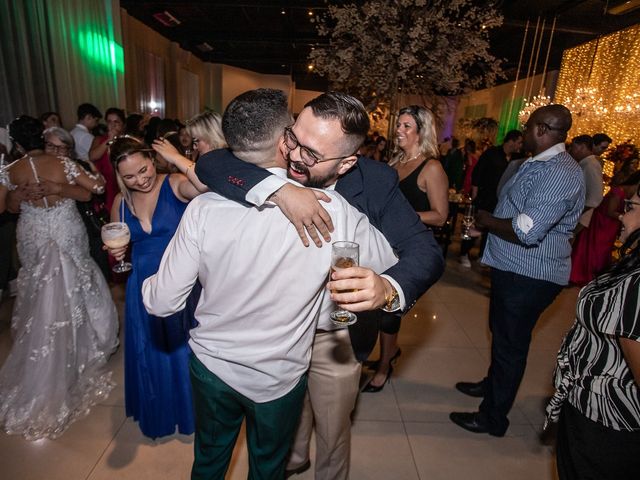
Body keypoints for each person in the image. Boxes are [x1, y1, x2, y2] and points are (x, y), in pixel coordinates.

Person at [142, 88, 401, 479]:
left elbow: (162, 303)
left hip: (212, 368)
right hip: (278, 377)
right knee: (268, 467)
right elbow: (387, 265)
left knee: (210, 461)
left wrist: (146, 282)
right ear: (287, 140)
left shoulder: (204, 209)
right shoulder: (337, 213)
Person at [195, 92, 443, 479]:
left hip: (333, 336)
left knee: (332, 427)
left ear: (346, 162)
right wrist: (278, 189)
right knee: (285, 421)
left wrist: (387, 288)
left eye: (311, 154)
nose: (292, 156)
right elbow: (211, 163)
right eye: (292, 138)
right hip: (274, 333)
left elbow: (425, 252)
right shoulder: (282, 154)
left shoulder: (376, 182)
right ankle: (293, 460)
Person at [450, 104, 585, 437]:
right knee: (502, 335)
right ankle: (493, 386)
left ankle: (493, 418)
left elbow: (527, 229)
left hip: (531, 274)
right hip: (513, 268)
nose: (522, 132)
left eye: (527, 127)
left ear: (541, 129)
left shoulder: (560, 172)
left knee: (511, 345)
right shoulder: (536, 163)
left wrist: (486, 221)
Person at [0, 116, 118, 440]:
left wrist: (20, 195)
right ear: (41, 136)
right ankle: (82, 349)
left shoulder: (11, 170)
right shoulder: (62, 163)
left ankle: (51, 356)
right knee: (76, 278)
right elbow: (95, 189)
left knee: (42, 285)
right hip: (64, 228)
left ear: (17, 142)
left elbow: (5, 207)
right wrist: (62, 186)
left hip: (34, 231)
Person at [105, 136, 203, 439]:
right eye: (130, 176)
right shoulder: (122, 202)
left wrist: (176, 157)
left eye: (144, 169)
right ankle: (158, 413)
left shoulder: (174, 183)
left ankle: (191, 414)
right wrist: (117, 253)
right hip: (142, 284)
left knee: (183, 348)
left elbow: (207, 186)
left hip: (181, 280)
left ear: (152, 159)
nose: (141, 180)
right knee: (149, 351)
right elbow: (115, 240)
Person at [546, 184, 640, 479]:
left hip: (606, 424)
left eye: (632, 207)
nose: (623, 216)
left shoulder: (636, 287)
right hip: (589, 411)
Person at [364, 105, 448, 393]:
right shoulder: (394, 163)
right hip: (382, 245)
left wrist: (402, 218)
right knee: (375, 306)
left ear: (421, 131)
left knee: (390, 311)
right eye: (398, 124)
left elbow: (440, 215)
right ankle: (387, 353)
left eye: (406, 126)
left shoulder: (432, 167)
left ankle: (385, 366)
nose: (398, 130)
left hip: (408, 249)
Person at [44, 127, 110, 277]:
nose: (55, 151)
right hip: (49, 229)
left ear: (69, 150)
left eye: (61, 148)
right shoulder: (37, 169)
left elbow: (93, 192)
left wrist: (57, 188)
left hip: (83, 221)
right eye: (50, 146)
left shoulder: (78, 166)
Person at [459, 129, 523, 267]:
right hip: (485, 197)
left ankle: (483, 255)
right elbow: (478, 172)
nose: (520, 146)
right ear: (511, 141)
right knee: (474, 225)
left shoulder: (516, 159)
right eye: (518, 142)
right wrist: (475, 193)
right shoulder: (492, 153)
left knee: (492, 228)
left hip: (501, 201)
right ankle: (464, 253)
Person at [570, 171, 640, 286]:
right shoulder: (619, 192)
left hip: (609, 226)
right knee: (595, 250)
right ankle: (583, 275)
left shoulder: (628, 194)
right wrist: (624, 217)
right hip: (603, 224)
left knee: (600, 251)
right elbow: (609, 211)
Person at [151, 111, 225, 191]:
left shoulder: (226, 161)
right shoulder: (215, 160)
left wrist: (176, 157)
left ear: (212, 137)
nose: (194, 147)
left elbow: (206, 185)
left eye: (197, 141)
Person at [89, 107, 126, 213]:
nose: (112, 125)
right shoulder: (99, 139)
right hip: (105, 185)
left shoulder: (126, 141)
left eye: (116, 122)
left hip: (121, 184)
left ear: (123, 125)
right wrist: (109, 140)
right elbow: (92, 156)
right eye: (109, 121)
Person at [569, 134, 603, 233]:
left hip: (580, 215)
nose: (571, 150)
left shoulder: (591, 164)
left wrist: (576, 212)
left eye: (573, 147)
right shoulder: (586, 163)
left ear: (582, 147)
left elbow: (595, 197)